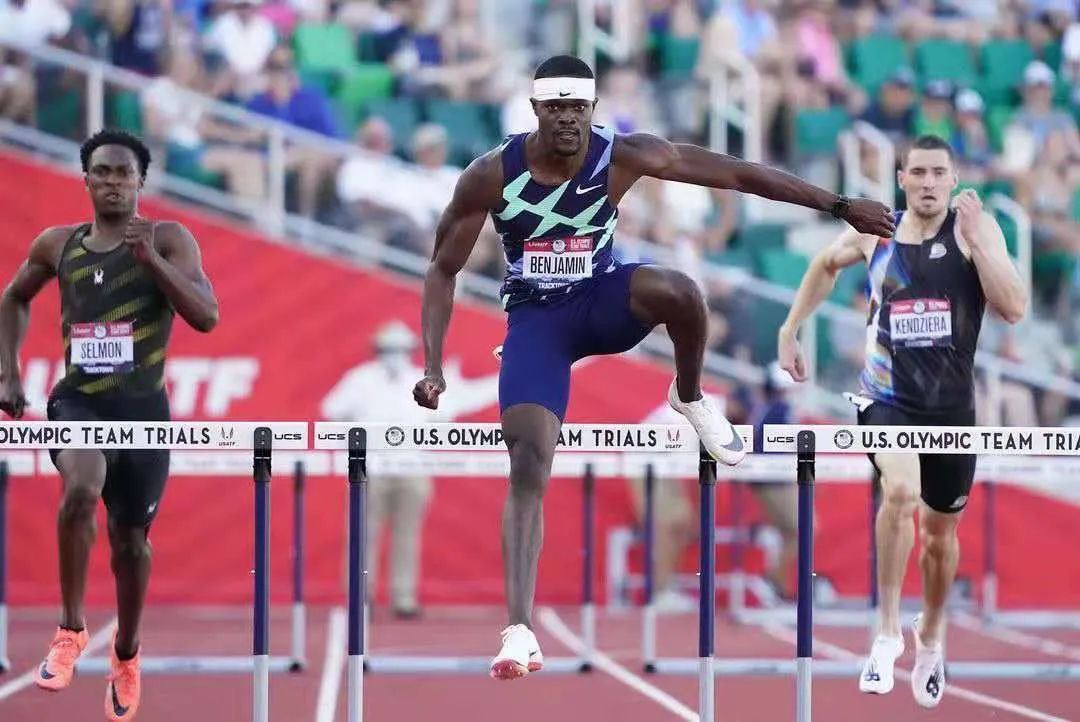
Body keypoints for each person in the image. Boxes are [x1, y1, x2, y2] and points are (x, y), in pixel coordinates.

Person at [411, 54, 895, 681]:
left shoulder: (625, 154)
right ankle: (519, 630)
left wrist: (837, 204)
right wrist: (432, 365)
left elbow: (737, 175)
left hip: (604, 302)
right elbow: (442, 268)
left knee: (682, 292)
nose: (566, 120)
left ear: (591, 110)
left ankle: (689, 396)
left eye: (577, 108)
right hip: (538, 327)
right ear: (535, 110)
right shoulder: (491, 175)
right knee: (529, 462)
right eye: (554, 108)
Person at [776, 135, 1026, 708]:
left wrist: (980, 243)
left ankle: (931, 636)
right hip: (884, 398)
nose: (930, 182)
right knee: (900, 492)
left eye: (940, 172)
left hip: (951, 407)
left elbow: (1014, 308)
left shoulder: (976, 231)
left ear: (954, 178)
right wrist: (791, 329)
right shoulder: (876, 231)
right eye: (920, 172)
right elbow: (823, 264)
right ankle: (886, 631)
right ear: (903, 178)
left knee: (940, 541)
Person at [0, 129, 219, 720]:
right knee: (79, 492)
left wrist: (150, 261)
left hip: (144, 412)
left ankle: (126, 653)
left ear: (140, 182)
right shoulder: (58, 245)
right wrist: (9, 374)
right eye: (102, 172)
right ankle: (70, 631)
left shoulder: (169, 238)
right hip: (79, 404)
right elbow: (13, 298)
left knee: (130, 543)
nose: (113, 182)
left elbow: (206, 317)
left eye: (124, 173)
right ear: (87, 180)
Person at [320, 320, 498, 618]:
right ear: (378, 350)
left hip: (413, 466)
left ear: (410, 350)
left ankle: (403, 597)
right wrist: (351, 448)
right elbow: (331, 411)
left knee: (407, 534)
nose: (395, 355)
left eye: (400, 349)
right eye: (389, 349)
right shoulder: (360, 379)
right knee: (363, 533)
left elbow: (446, 416)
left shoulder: (422, 379)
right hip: (369, 468)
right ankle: (360, 595)